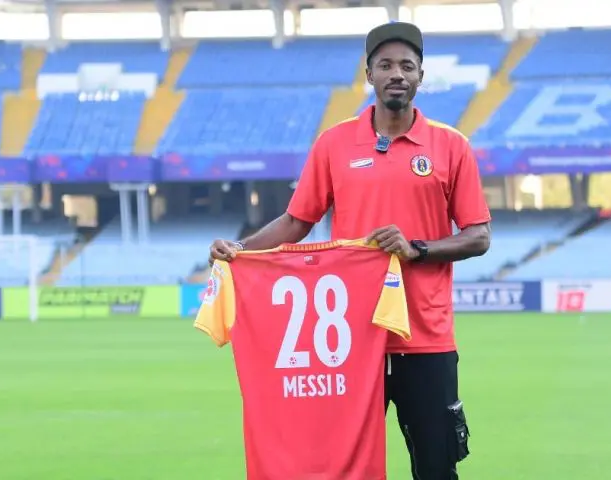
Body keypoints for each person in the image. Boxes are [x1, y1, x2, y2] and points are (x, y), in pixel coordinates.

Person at [208, 21, 492, 480]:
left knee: (438, 469)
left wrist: (416, 249)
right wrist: (239, 250)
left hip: (426, 337)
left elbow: (478, 235)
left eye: (407, 66)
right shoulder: (334, 143)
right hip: (350, 344)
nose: (396, 74)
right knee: (341, 469)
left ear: (420, 76)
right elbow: (296, 222)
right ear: (369, 74)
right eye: (386, 65)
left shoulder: (451, 145)